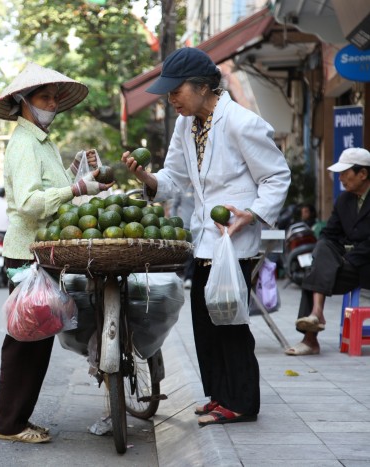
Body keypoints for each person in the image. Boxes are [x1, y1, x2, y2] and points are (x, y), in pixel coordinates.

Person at [122, 48, 290, 427]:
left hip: (235, 239)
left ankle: (242, 402)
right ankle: (219, 395)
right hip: (205, 238)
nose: (171, 99)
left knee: (229, 321)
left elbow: (276, 176)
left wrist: (254, 213)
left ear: (202, 87)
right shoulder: (186, 125)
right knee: (203, 317)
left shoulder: (242, 123)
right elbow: (173, 179)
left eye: (176, 90)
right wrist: (145, 180)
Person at [0, 62, 113, 444]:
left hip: (42, 256)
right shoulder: (24, 143)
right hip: (27, 256)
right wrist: (77, 191)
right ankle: (7, 424)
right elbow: (28, 203)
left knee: (36, 341)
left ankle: (17, 419)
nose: (53, 104)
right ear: (23, 102)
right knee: (24, 342)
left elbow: (50, 190)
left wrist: (76, 176)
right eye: (45, 97)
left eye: (55, 97)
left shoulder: (42, 142)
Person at [285, 147, 370, 356]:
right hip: (349, 266)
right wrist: (338, 256)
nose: (340, 178)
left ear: (363, 174)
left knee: (315, 275)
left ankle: (312, 331)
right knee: (319, 257)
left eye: (345, 173)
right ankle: (314, 320)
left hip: (366, 266)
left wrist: (346, 257)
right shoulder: (344, 200)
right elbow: (329, 234)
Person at [171, 186, 195, 288]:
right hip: (185, 226)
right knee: (188, 253)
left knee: (195, 253)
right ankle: (186, 277)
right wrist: (173, 222)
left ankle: (189, 277)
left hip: (198, 226)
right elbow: (174, 206)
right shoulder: (182, 188)